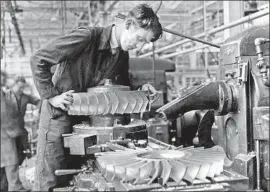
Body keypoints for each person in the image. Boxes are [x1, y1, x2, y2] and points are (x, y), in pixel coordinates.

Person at [30, 3, 162, 191]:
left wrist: (141, 90)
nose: (139, 46)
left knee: (79, 173)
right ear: (129, 24)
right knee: (51, 179)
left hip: (86, 121)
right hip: (58, 118)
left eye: (144, 43)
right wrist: (51, 97)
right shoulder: (87, 37)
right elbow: (38, 59)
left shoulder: (121, 54)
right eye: (139, 38)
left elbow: (119, 88)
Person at [1, 74, 40, 191]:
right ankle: (10, 185)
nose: (21, 90)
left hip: (20, 131)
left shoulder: (25, 97)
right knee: (9, 160)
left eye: (23, 88)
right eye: (19, 88)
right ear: (13, 86)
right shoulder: (5, 96)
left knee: (20, 156)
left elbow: (39, 101)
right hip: (6, 132)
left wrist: (38, 111)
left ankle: (10, 184)